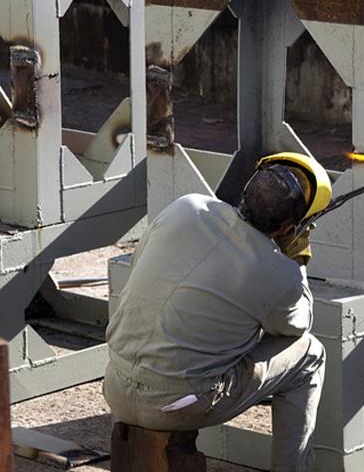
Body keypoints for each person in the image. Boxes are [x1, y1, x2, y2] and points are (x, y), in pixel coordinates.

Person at [103, 152, 332, 472]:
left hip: (114, 384)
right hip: (178, 405)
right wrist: (297, 260)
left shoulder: (186, 206)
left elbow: (141, 261)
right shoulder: (277, 272)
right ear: (290, 227)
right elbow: (298, 325)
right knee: (310, 355)